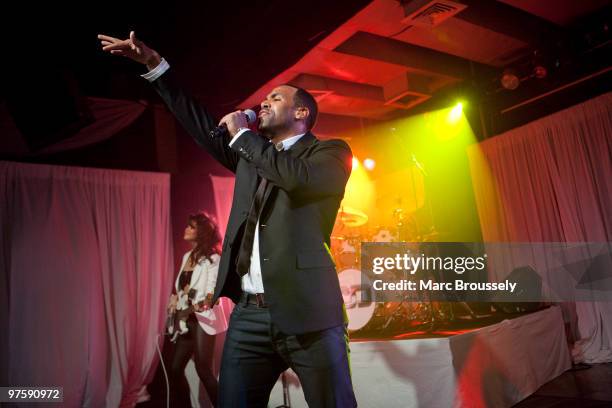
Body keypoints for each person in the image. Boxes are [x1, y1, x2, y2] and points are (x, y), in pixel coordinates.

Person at [99, 31, 357, 407]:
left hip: (310, 316)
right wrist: (155, 66)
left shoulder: (329, 153)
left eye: (275, 98)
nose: (264, 103)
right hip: (249, 316)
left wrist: (244, 137)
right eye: (264, 98)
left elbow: (295, 179)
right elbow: (197, 120)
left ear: (302, 113)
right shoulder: (250, 155)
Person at [167, 212, 221, 407]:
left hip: (203, 319)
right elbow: (182, 288)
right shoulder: (186, 256)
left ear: (202, 232)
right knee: (174, 369)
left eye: (191, 226)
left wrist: (192, 308)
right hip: (185, 319)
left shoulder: (213, 259)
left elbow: (211, 294)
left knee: (203, 369)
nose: (186, 229)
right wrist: (175, 300)